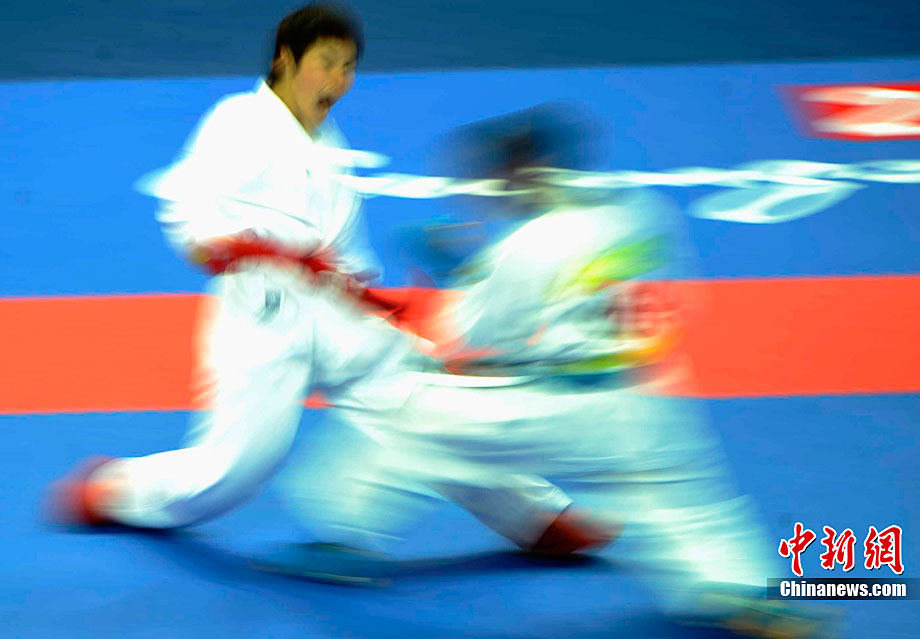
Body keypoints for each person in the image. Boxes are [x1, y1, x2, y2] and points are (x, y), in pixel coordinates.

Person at [47, 4, 602, 560]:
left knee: (423, 404)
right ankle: (117, 489)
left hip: (334, 313)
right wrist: (220, 243)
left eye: (348, 67)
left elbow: (341, 249)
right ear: (284, 60)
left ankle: (535, 516)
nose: (338, 80)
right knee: (234, 469)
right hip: (263, 314)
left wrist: (375, 303)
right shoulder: (237, 120)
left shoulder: (328, 142)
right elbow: (185, 207)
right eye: (326, 62)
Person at [277, 106, 836, 637]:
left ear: (517, 174)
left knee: (397, 415)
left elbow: (474, 336)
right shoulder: (637, 211)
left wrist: (459, 269)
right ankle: (742, 593)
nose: (485, 193)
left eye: (490, 180)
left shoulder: (530, 246)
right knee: (683, 506)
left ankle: (341, 539)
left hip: (548, 406)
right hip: (638, 399)